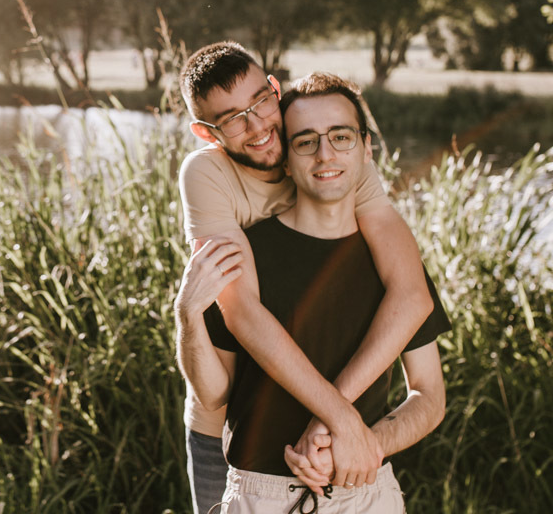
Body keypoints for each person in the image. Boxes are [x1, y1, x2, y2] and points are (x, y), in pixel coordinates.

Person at [174, 44, 434, 514]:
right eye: (233, 120)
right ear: (206, 133)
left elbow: (412, 296)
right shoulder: (206, 174)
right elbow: (241, 311)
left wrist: (342, 425)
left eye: (261, 102)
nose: (258, 127)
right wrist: (341, 420)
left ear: (275, 88)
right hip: (229, 438)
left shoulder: (328, 152)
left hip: (340, 456)